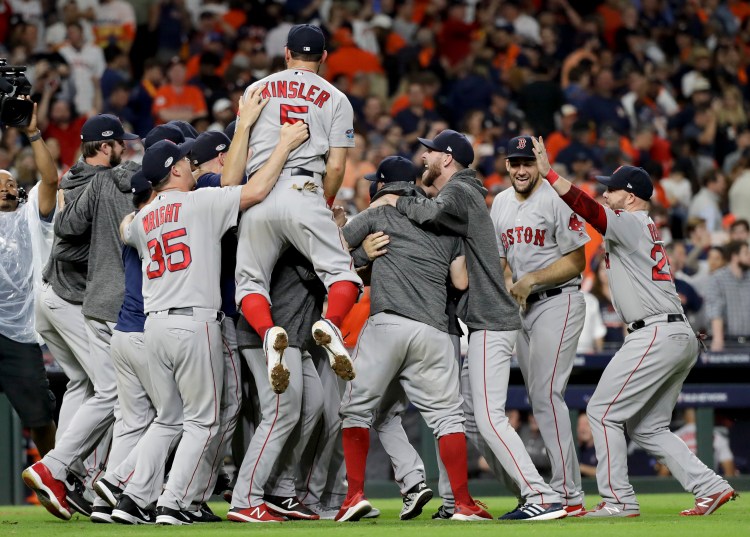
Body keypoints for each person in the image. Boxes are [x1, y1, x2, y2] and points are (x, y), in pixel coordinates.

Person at [110, 119, 308, 525]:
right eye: (184, 161)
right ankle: (172, 503)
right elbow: (255, 190)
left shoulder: (144, 220)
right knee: (204, 421)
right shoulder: (199, 203)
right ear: (177, 171)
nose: (189, 164)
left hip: (155, 327)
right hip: (193, 322)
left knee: (168, 420)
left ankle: (130, 499)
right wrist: (285, 145)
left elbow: (125, 227)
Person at [530, 136, 737, 517]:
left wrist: (550, 175)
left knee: (603, 411)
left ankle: (618, 500)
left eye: (612, 189)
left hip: (656, 332)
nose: (606, 193)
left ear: (631, 195)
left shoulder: (630, 221)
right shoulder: (640, 226)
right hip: (676, 333)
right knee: (648, 428)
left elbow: (591, 210)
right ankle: (711, 486)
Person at [371, 130, 565, 521]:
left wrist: (395, 199)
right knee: (466, 420)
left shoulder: (462, 189)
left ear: (446, 158)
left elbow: (428, 212)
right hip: (485, 319)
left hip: (492, 318)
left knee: (490, 418)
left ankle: (540, 495)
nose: (423, 159)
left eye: (429, 153)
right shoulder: (461, 192)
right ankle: (467, 499)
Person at [339, 155, 490, 522]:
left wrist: (361, 255)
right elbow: (461, 282)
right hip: (435, 331)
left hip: (389, 323)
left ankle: (354, 495)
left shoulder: (378, 212)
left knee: (356, 410)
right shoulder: (443, 220)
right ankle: (464, 503)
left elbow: (332, 253)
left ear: (383, 184)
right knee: (447, 419)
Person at [235, 24, 362, 394]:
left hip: (258, 190)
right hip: (305, 185)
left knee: (250, 283)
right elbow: (337, 167)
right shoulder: (337, 98)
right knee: (341, 275)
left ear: (287, 53)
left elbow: (240, 150)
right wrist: (319, 205)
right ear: (324, 57)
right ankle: (332, 323)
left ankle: (268, 330)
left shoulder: (255, 89)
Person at [24, 114, 139, 521]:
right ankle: (60, 470)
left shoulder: (76, 174)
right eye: (120, 143)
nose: (125, 149)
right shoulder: (98, 181)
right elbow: (68, 248)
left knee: (82, 383)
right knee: (111, 389)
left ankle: (65, 474)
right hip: (71, 299)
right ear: (106, 147)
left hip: (51, 297)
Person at [491, 134, 590, 515]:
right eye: (514, 162)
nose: (520, 169)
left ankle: (568, 494)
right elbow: (501, 262)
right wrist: (507, 289)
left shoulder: (555, 197)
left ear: (539, 163)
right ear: (506, 165)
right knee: (539, 398)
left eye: (527, 162)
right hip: (521, 309)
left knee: (548, 394)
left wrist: (531, 279)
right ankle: (562, 488)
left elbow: (577, 260)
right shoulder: (499, 203)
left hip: (559, 299)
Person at [0, 102, 58, 458]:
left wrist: (33, 134)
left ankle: (57, 477)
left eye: (9, 184)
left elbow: (50, 179)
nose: (5, 189)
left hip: (19, 333)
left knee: (39, 413)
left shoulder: (30, 218)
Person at [705, 240, 750, 351]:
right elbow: (715, 311)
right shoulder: (717, 279)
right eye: (746, 253)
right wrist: (718, 339)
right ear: (735, 256)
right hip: (728, 342)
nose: (749, 256)